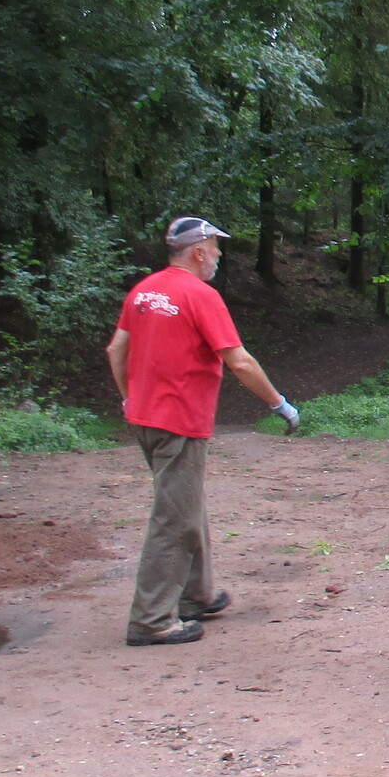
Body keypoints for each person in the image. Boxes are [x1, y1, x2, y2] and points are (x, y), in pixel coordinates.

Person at [105, 217, 299, 647]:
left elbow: (117, 349)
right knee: (173, 519)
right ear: (197, 251)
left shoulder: (144, 291)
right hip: (179, 420)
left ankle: (197, 595)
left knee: (184, 505)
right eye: (215, 247)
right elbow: (240, 361)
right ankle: (151, 619)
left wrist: (129, 397)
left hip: (145, 418)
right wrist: (279, 404)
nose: (218, 255)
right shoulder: (200, 295)